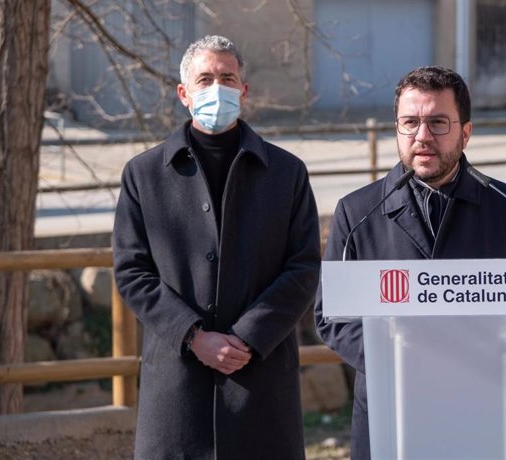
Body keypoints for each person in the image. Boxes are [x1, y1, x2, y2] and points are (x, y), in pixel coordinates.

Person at [314, 66, 506, 459]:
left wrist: (472, 357)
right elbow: (331, 317)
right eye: (410, 123)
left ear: (465, 133)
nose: (422, 137)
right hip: (389, 410)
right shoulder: (356, 211)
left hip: (483, 405)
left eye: (437, 123)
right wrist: (402, 361)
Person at [113, 35, 320, 459]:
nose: (216, 88)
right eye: (204, 78)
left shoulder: (287, 173)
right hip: (178, 384)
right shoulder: (144, 174)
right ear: (184, 94)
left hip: (259, 379)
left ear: (243, 90)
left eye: (227, 77)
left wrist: (246, 337)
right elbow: (132, 270)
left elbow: (303, 267)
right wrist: (194, 336)